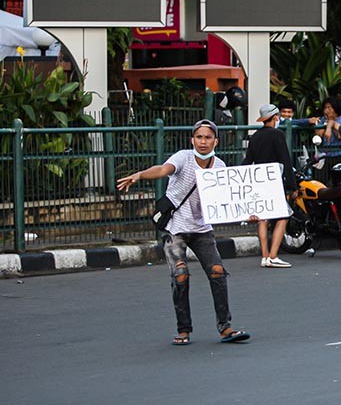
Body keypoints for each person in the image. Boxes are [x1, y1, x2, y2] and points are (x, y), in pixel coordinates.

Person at [116, 119, 250, 346]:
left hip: (202, 229)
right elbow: (163, 169)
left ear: (216, 141)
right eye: (199, 137)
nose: (203, 142)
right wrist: (140, 175)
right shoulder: (183, 157)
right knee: (180, 274)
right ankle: (184, 329)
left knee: (217, 271)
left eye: (208, 137)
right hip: (176, 228)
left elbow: (228, 201)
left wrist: (250, 214)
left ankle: (225, 327)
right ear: (192, 140)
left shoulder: (220, 167)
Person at [243, 104, 298, 269]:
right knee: (283, 216)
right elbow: (285, 161)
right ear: (275, 117)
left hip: (259, 181)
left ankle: (265, 255)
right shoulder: (278, 135)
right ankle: (273, 255)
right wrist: (292, 186)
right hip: (273, 181)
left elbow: (247, 161)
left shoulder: (255, 136)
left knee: (263, 218)